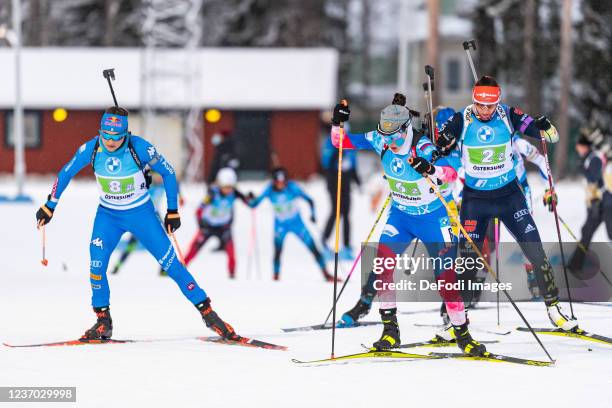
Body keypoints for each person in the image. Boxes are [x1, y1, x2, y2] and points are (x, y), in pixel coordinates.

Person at [35, 107, 239, 341]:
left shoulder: (139, 147)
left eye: (117, 136)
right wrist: (50, 205)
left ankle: (209, 314)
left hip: (141, 215)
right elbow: (65, 173)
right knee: (96, 265)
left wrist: (172, 211)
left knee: (172, 265)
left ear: (126, 133)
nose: (111, 142)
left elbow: (169, 173)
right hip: (108, 216)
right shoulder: (90, 148)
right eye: (106, 135)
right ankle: (103, 322)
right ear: (100, 131)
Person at [330, 98, 487, 356]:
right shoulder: (381, 138)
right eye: (385, 137)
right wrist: (338, 122)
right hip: (401, 217)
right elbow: (340, 143)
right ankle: (390, 332)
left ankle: (463, 335)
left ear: (405, 130)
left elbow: (450, 173)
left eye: (393, 138)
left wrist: (431, 168)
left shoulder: (423, 146)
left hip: (434, 219)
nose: (388, 144)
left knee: (446, 280)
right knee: (383, 267)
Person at [435, 75, 579, 331]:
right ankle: (457, 318)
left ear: (498, 102)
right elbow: (439, 147)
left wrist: (545, 126)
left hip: (509, 197)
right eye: (481, 105)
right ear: (474, 100)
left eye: (491, 105)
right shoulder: (461, 119)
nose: (486, 111)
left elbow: (551, 137)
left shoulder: (508, 114)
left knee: (535, 249)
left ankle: (554, 308)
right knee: (469, 260)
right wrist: (443, 144)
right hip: (475, 200)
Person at [248, 167, 337, 282]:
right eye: (278, 182)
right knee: (277, 251)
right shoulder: (269, 190)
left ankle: (326, 273)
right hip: (280, 226)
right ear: (274, 181)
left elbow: (309, 200)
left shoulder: (292, 187)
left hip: (297, 224)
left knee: (313, 247)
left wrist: (313, 215)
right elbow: (254, 204)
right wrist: (250, 199)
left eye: (283, 182)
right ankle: (275, 276)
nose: (281, 185)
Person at [183, 167, 250, 279]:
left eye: (230, 187)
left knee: (231, 252)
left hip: (224, 227)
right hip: (208, 226)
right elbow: (199, 210)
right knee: (193, 249)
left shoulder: (234, 193)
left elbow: (248, 202)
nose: (228, 190)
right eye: (225, 187)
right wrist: (201, 224)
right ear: (219, 184)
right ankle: (180, 269)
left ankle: (232, 275)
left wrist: (250, 197)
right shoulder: (212, 194)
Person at [568, 130, 612, 273]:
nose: (577, 149)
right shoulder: (588, 159)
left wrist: (583, 170)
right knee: (586, 231)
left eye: (579, 146)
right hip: (596, 204)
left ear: (585, 147)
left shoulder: (594, 159)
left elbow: (594, 179)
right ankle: (574, 265)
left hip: (606, 202)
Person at [110, 172, 164, 275]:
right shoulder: (149, 186)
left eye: (161, 177)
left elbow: (175, 183)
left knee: (162, 242)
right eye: (158, 177)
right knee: (132, 243)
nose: (160, 179)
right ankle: (117, 266)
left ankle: (164, 268)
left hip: (156, 216)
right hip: (143, 216)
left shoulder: (162, 186)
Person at [320, 123, 360, 261]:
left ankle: (347, 246)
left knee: (347, 213)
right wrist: (337, 152)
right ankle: (324, 242)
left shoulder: (350, 142)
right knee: (336, 211)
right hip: (333, 180)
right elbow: (325, 162)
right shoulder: (330, 141)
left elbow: (353, 162)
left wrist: (357, 179)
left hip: (346, 180)